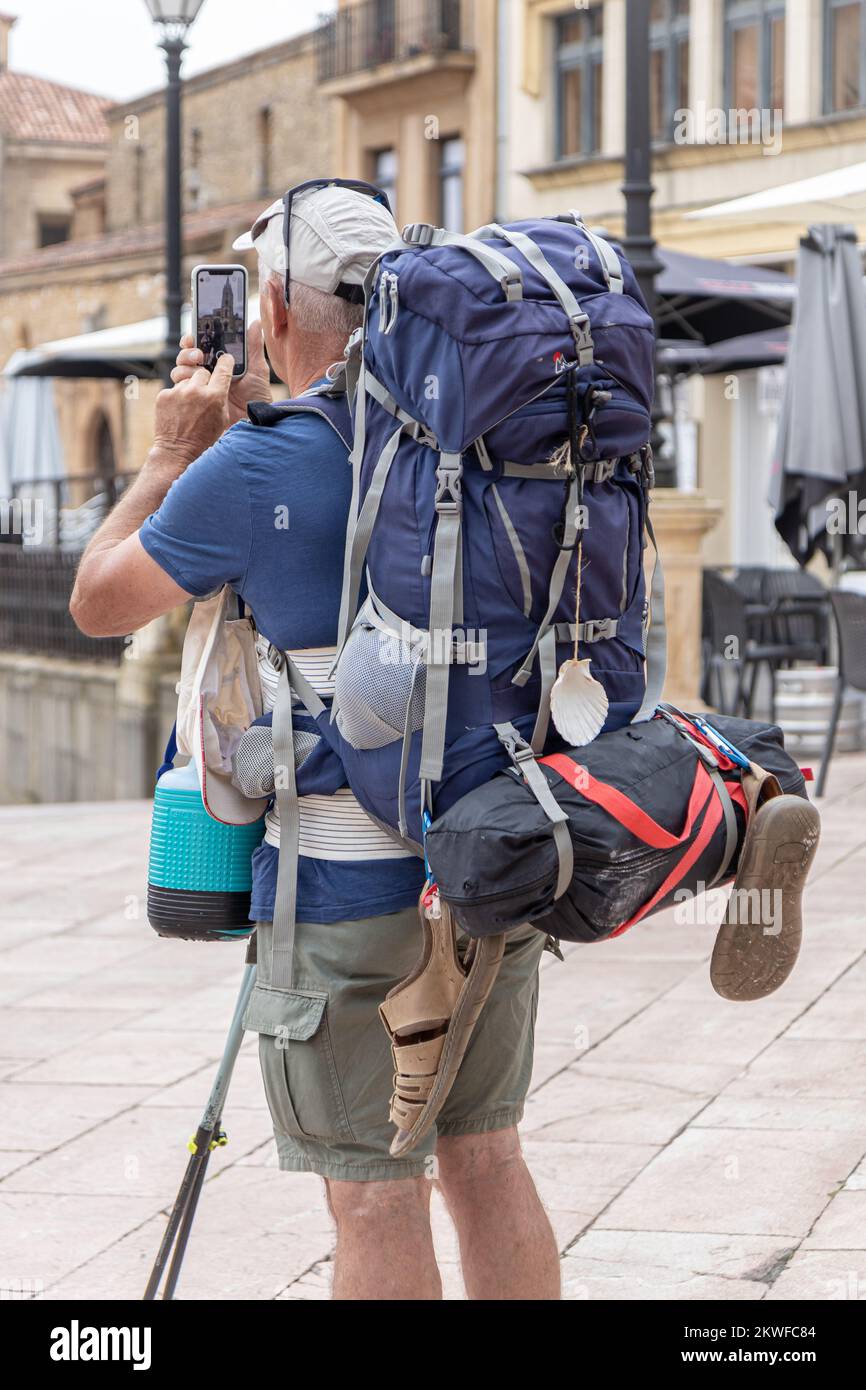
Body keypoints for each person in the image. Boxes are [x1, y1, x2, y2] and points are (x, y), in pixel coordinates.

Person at [70, 181, 561, 1302]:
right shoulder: (478, 437)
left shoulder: (253, 465)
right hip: (494, 861)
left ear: (275, 311)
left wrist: (168, 458)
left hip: (345, 899)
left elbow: (101, 602)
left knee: (371, 1192)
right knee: (485, 1161)